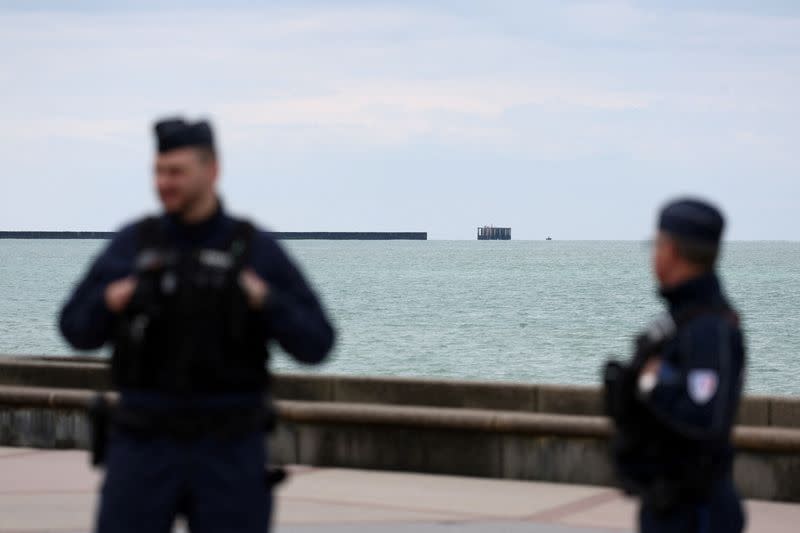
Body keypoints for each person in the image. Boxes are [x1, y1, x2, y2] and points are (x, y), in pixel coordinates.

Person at [60, 116, 335, 533]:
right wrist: (111, 300)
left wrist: (264, 299)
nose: (165, 183)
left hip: (229, 446)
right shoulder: (134, 246)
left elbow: (317, 343)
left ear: (212, 171)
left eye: (177, 172)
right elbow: (75, 329)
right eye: (159, 171)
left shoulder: (252, 250)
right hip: (144, 443)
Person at [604, 198, 746, 533]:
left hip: (697, 513)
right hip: (670, 505)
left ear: (671, 251)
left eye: (657, 245)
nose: (653, 255)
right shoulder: (680, 321)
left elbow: (702, 419)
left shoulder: (708, 329)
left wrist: (650, 386)